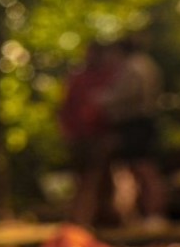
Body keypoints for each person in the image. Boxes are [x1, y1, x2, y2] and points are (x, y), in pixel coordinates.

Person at [106, 31, 167, 226]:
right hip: (141, 122)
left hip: (136, 123)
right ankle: (147, 215)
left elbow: (128, 94)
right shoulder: (146, 64)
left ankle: (154, 215)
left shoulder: (134, 66)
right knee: (141, 169)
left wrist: (103, 100)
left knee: (144, 169)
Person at [58, 41, 120, 229]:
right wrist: (67, 131)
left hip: (102, 135)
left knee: (102, 179)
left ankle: (104, 218)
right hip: (80, 136)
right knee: (83, 179)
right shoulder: (77, 78)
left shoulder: (111, 76)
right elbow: (65, 107)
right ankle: (79, 219)